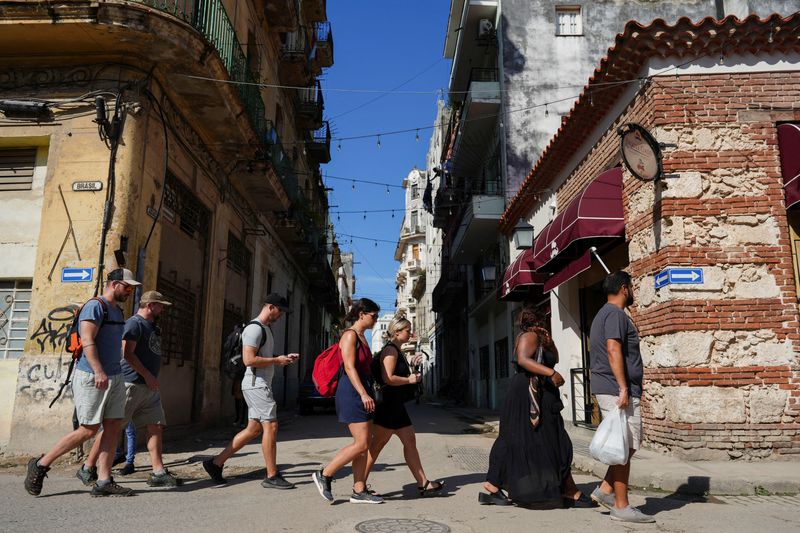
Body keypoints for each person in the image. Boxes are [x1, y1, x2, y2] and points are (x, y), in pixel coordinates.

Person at [24, 268, 140, 497]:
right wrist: (98, 371)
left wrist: (112, 373)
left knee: (113, 426)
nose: (129, 291)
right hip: (92, 375)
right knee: (88, 429)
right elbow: (87, 339)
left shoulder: (118, 311)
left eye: (131, 288)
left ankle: (104, 480)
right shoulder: (95, 306)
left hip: (115, 375)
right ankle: (40, 465)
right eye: (127, 287)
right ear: (114, 284)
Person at [480, 305, 594, 509]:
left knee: (543, 439)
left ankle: (495, 483)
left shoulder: (540, 338)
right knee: (531, 438)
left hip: (541, 395)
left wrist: (548, 342)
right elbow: (523, 360)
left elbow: (554, 358)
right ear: (540, 320)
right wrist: (550, 373)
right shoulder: (529, 336)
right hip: (527, 395)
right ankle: (567, 488)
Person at [77, 290, 180, 488]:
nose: (162, 310)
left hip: (148, 387)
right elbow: (127, 354)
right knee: (112, 429)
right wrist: (147, 375)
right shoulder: (134, 323)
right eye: (160, 306)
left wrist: (151, 378)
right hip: (131, 384)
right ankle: (88, 467)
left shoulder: (152, 326)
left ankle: (158, 471)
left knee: (155, 426)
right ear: (150, 305)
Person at [204, 293, 298, 489]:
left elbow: (261, 357)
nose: (281, 315)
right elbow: (249, 360)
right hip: (257, 384)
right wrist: (276, 360)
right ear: (270, 307)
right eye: (280, 310)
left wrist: (281, 358)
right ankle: (272, 475)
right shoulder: (254, 329)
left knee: (253, 429)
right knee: (270, 427)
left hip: (260, 383)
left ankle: (215, 463)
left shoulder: (266, 330)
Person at [588, 271, 655, 523]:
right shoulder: (615, 314)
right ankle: (621, 506)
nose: (634, 291)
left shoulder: (603, 314)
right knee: (624, 446)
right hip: (616, 388)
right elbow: (613, 348)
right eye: (633, 286)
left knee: (628, 444)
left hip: (612, 386)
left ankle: (606, 490)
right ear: (624, 288)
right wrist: (623, 387)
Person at [312, 298, 383, 504]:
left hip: (363, 390)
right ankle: (325, 474)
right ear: (362, 314)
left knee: (364, 442)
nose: (376, 320)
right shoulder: (350, 335)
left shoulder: (362, 337)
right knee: (361, 443)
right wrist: (362, 393)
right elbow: (350, 367)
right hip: (352, 392)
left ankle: (359, 489)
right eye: (373, 316)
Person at [364, 316, 445, 497]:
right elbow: (388, 378)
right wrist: (409, 379)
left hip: (396, 406)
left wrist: (411, 368)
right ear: (397, 332)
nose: (411, 333)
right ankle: (360, 486)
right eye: (408, 330)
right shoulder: (391, 351)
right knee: (376, 446)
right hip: (388, 406)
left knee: (409, 441)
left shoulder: (396, 350)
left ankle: (423, 482)